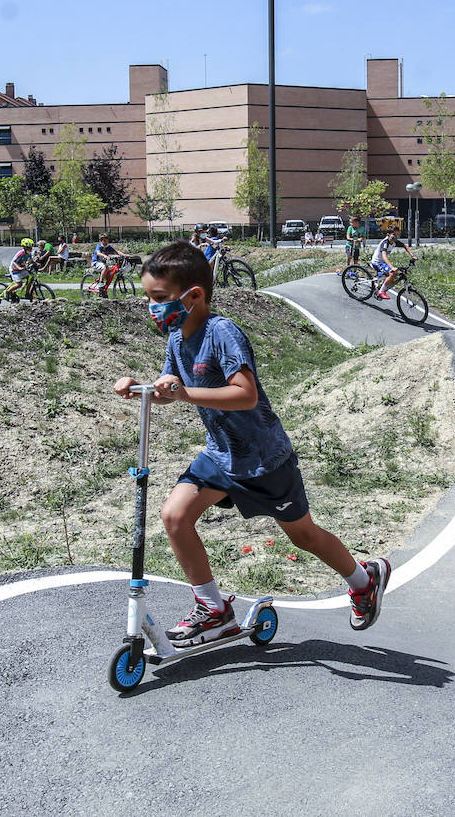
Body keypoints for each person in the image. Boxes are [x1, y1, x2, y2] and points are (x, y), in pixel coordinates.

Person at [113, 241, 390, 645]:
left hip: (264, 460)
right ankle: (213, 609)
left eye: (159, 299)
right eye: (149, 299)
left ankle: (364, 579)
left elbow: (245, 395)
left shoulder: (221, 332)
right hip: (220, 455)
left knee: (304, 536)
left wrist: (184, 394)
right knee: (174, 516)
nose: (153, 308)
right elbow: (172, 388)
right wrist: (142, 390)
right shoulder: (176, 339)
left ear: (194, 296)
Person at [369, 228, 415, 300]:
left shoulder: (394, 242)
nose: (395, 236)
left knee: (392, 276)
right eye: (394, 234)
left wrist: (413, 256)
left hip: (383, 262)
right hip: (377, 262)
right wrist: (392, 267)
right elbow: (384, 256)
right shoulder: (385, 243)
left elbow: (405, 246)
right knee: (392, 273)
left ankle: (380, 286)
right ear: (388, 234)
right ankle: (381, 292)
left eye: (397, 234)